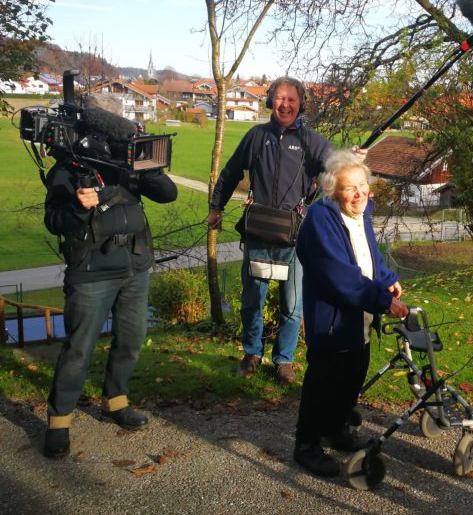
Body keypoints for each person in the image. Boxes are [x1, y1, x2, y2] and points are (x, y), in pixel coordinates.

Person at [42, 143, 178, 459]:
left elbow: (167, 194)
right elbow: (54, 221)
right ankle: (59, 421)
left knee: (131, 339)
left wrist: (150, 166)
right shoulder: (67, 170)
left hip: (135, 266)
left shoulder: (126, 165)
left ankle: (115, 401)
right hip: (91, 272)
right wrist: (78, 206)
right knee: (79, 348)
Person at [208, 77, 332, 384]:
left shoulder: (312, 141)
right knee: (253, 300)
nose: (285, 105)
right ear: (269, 102)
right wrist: (216, 207)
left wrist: (353, 161)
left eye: (291, 99)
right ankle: (252, 353)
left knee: (292, 305)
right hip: (258, 234)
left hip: (295, 239)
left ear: (301, 104)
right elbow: (230, 172)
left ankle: (284, 360)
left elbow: (338, 168)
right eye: (279, 98)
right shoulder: (256, 136)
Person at [293, 150, 408, 477]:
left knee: (351, 379)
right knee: (324, 384)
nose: (359, 193)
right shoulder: (321, 220)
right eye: (349, 188)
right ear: (332, 191)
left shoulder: (360, 213)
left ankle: (337, 429)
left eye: (362, 185)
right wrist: (383, 301)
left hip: (359, 320)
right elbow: (340, 276)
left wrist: (386, 278)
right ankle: (306, 444)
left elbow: (369, 255)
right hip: (332, 321)